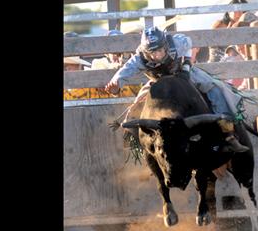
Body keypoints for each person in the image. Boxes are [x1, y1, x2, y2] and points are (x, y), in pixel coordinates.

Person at [105, 26, 249, 153]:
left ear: (165, 46)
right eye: (152, 53)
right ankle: (139, 145)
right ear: (145, 51)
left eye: (159, 50)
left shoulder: (177, 43)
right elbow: (123, 72)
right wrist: (115, 84)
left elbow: (188, 42)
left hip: (182, 74)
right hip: (158, 83)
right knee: (134, 109)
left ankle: (228, 131)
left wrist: (186, 66)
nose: (156, 56)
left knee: (215, 87)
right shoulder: (139, 59)